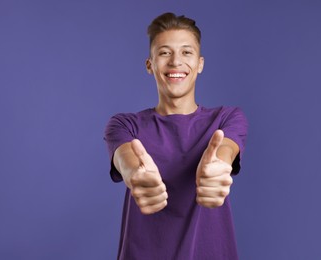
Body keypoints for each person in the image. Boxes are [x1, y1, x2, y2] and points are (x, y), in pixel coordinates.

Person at [104, 12, 248, 260]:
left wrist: (218, 167)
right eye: (164, 53)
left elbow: (225, 150)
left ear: (200, 64)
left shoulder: (227, 119)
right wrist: (134, 174)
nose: (175, 62)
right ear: (150, 65)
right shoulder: (125, 125)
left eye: (186, 52)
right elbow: (125, 158)